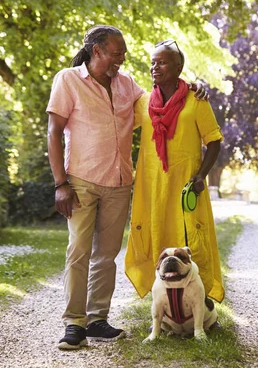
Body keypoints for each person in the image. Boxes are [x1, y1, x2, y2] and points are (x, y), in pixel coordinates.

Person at [46, 26, 208, 350]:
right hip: (80, 180)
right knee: (78, 251)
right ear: (96, 51)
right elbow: (53, 131)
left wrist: (193, 85)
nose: (121, 59)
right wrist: (60, 183)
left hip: (119, 182)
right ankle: (73, 324)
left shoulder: (127, 86)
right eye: (115, 53)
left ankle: (96, 319)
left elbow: (163, 95)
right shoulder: (68, 80)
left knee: (106, 256)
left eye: (123, 54)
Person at [124, 40, 225, 308]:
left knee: (191, 237)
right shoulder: (144, 102)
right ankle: (165, 304)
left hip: (186, 187)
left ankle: (199, 301)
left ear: (179, 67)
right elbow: (116, 119)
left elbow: (213, 141)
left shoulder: (196, 101)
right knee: (155, 236)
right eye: (153, 62)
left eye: (162, 62)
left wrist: (202, 175)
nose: (155, 67)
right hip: (152, 186)